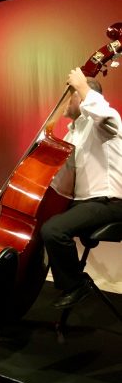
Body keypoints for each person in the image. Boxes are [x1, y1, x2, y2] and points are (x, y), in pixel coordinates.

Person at [41, 67, 122, 309]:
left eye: (71, 94)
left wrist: (82, 86)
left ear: (82, 97)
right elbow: (56, 177)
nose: (66, 100)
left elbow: (102, 113)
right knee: (41, 223)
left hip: (109, 202)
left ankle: (76, 285)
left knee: (53, 230)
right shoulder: (73, 134)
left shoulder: (105, 121)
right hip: (86, 203)